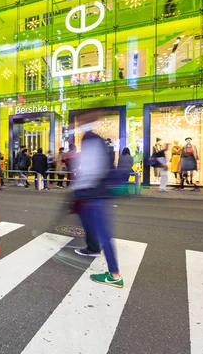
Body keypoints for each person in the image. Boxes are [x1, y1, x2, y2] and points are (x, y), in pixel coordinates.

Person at [73, 111, 123, 289]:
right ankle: (93, 248)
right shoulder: (94, 138)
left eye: (80, 120)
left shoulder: (90, 139)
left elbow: (90, 169)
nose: (77, 123)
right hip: (96, 192)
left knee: (104, 234)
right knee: (93, 226)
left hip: (93, 193)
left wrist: (80, 189)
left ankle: (115, 275)